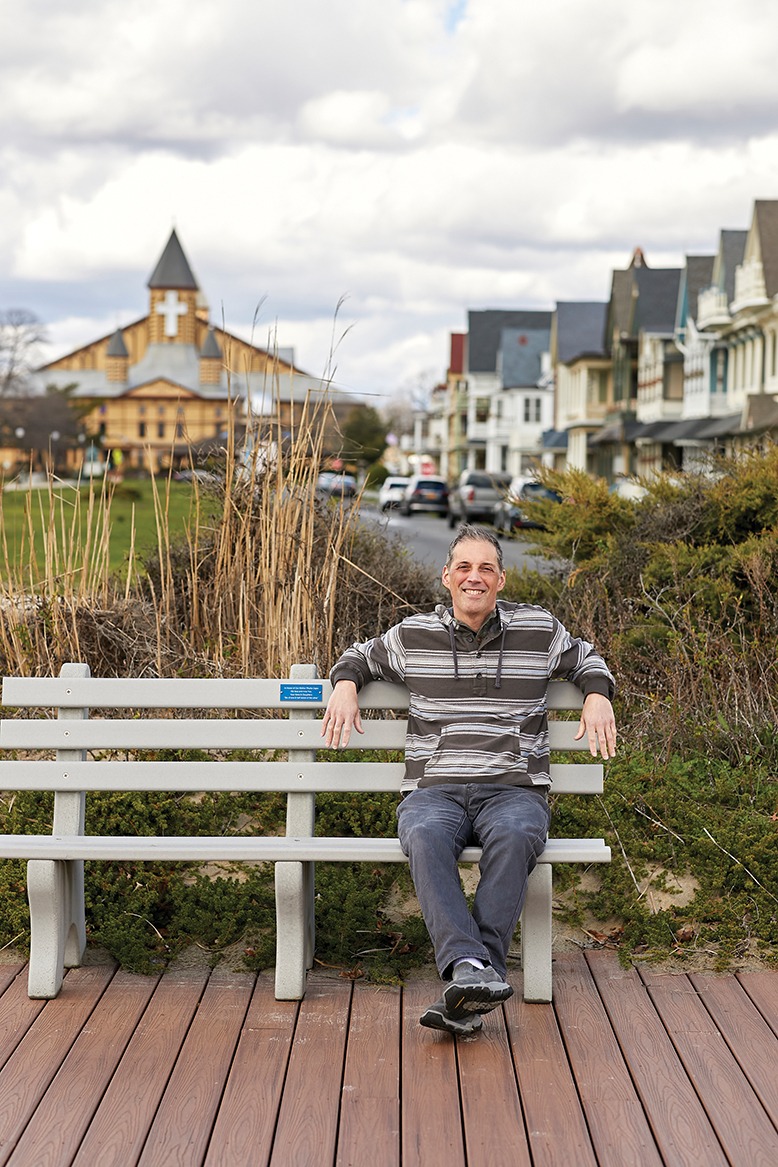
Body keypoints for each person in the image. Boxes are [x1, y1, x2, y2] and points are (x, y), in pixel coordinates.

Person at [322, 524, 616, 1037]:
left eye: (485, 569)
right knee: (422, 834)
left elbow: (588, 659)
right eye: (463, 567)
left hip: (513, 791)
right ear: (446, 577)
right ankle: (476, 972)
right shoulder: (412, 636)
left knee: (519, 834)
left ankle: (468, 974)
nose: (473, 578)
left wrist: (596, 694)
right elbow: (358, 657)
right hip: (436, 791)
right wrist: (345, 685)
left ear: (500, 580)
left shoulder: (539, 631)